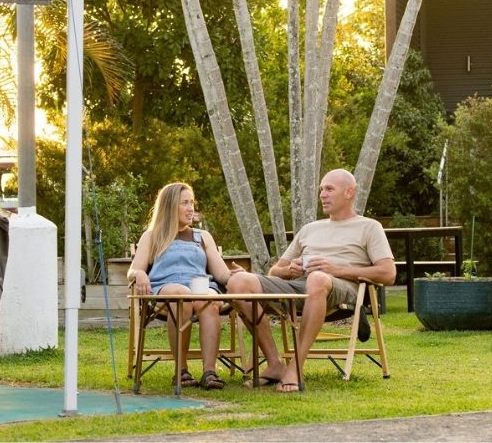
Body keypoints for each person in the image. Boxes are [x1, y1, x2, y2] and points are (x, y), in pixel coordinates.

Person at [226, 168, 396, 393]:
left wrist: (338, 269)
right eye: (321, 190)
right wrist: (289, 271)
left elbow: (388, 273)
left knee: (316, 278)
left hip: (342, 289)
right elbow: (275, 271)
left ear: (349, 192)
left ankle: (295, 368)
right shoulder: (310, 229)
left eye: (329, 189)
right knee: (239, 282)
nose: (322, 194)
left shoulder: (369, 227)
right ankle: (275, 363)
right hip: (300, 286)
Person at [128, 182, 233, 390]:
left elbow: (221, 273)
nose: (190, 208)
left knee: (210, 301)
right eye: (184, 203)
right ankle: (181, 370)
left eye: (192, 202)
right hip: (166, 288)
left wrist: (237, 278)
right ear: (169, 206)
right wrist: (140, 274)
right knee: (181, 297)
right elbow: (133, 270)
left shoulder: (202, 237)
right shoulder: (152, 235)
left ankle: (209, 372)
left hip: (200, 287)